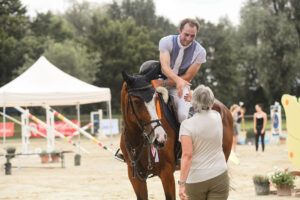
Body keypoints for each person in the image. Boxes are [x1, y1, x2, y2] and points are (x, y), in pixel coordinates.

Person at [178, 85, 229, 200]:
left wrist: (181, 184)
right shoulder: (217, 117)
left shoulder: (186, 125)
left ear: (194, 101)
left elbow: (187, 156)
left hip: (196, 180)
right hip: (220, 175)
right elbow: (209, 103)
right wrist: (196, 98)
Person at [153, 18, 206, 123]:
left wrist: (165, 83)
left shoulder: (200, 52)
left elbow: (188, 77)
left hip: (179, 86)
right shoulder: (166, 41)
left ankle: (183, 137)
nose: (189, 38)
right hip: (159, 81)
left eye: (192, 36)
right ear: (180, 30)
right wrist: (177, 81)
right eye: (186, 34)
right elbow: (165, 68)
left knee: (183, 116)